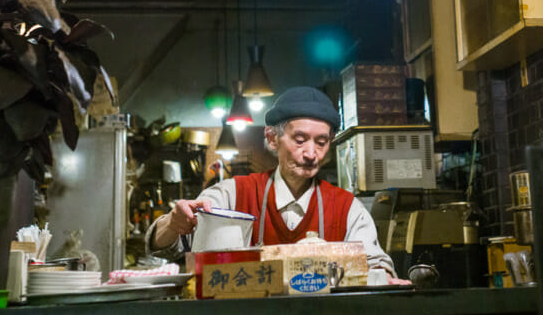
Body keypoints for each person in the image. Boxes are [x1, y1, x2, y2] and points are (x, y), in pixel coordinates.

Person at [150, 86, 400, 277]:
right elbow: (167, 245)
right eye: (300, 140)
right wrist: (174, 222)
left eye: (321, 142)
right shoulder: (234, 194)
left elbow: (377, 266)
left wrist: (384, 277)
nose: (311, 153)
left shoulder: (346, 207)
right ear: (272, 139)